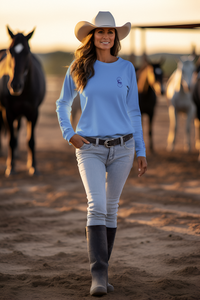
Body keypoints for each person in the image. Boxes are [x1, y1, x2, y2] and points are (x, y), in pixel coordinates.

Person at [56, 11, 147, 297]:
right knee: (96, 205)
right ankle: (98, 276)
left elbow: (134, 111)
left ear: (115, 37)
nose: (106, 36)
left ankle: (103, 273)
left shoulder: (127, 68)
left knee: (111, 208)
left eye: (111, 32)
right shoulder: (79, 67)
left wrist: (141, 150)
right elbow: (62, 104)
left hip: (124, 148)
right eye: (100, 32)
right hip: (90, 148)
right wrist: (69, 134)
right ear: (92, 37)